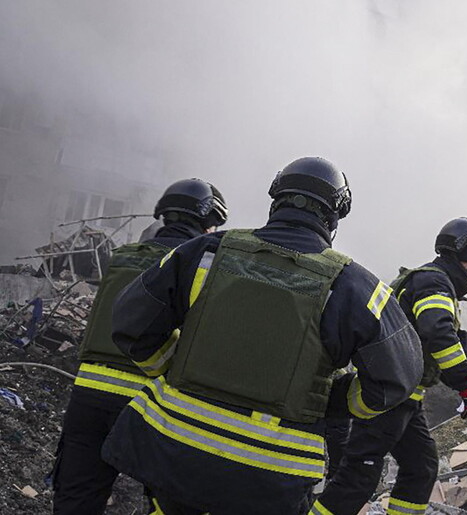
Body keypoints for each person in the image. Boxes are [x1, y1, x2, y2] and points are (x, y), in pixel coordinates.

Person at [102, 157, 424, 515]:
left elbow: (130, 321)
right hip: (272, 476)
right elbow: (399, 376)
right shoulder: (354, 286)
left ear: (275, 202)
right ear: (334, 218)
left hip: (174, 452)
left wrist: (171, 363)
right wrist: (334, 401)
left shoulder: (204, 253)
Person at [52, 179, 226, 514]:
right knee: (168, 501)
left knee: (76, 496)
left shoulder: (124, 257)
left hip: (88, 396)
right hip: (153, 401)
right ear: (208, 221)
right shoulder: (202, 267)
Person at [313, 217, 467, 515]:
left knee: (421, 467)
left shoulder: (434, 281)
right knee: (360, 475)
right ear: (461, 253)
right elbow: (437, 331)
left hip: (405, 398)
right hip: (387, 394)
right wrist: (466, 385)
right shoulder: (434, 282)